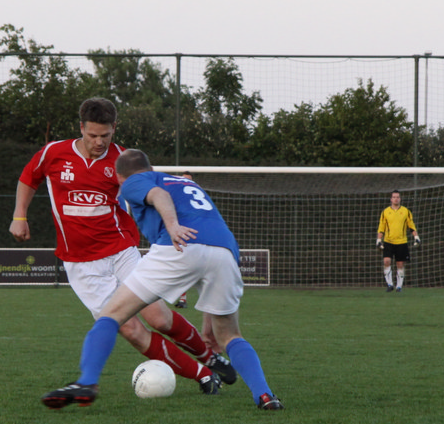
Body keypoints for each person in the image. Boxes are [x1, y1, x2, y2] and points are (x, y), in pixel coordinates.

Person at [12, 97, 232, 394]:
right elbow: (28, 178)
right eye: (92, 135)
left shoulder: (121, 162)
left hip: (121, 251)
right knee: (130, 329)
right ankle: (203, 375)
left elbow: (153, 191)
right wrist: (19, 216)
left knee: (158, 317)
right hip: (80, 263)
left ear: (114, 128)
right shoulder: (54, 153)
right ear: (81, 128)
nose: (99, 142)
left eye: (105, 135)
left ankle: (210, 356)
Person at [43, 149, 282, 410]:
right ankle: (265, 396)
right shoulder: (185, 182)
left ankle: (87, 382)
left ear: (120, 177)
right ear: (151, 167)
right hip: (225, 251)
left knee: (111, 315)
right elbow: (208, 250)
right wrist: (209, 317)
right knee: (229, 335)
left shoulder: (134, 181)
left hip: (178, 244)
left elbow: (159, 195)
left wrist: (172, 226)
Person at [376, 190, 420, 292]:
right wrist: (378, 239)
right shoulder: (385, 212)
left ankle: (399, 286)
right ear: (391, 199)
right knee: (386, 261)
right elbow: (381, 227)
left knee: (400, 265)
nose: (396, 199)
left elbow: (411, 226)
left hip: (402, 242)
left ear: (400, 199)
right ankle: (390, 284)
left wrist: (416, 237)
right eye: (394, 197)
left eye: (398, 197)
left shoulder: (406, 211)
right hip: (388, 241)